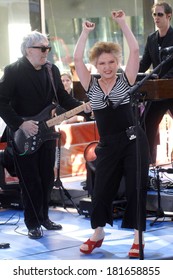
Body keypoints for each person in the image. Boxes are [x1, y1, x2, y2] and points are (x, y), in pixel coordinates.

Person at [0, 30, 91, 239]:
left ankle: (43, 217)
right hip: (23, 135)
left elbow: (63, 98)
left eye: (47, 48)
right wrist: (21, 124)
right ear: (27, 50)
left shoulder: (52, 70)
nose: (46, 52)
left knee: (47, 178)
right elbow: (1, 101)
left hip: (47, 132)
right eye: (42, 48)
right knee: (30, 181)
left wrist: (81, 107)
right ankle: (32, 223)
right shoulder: (13, 71)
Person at [74, 10, 149, 258]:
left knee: (136, 189)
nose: (107, 67)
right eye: (102, 63)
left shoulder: (125, 80)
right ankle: (98, 232)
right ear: (96, 65)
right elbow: (76, 58)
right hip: (108, 144)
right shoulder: (91, 84)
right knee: (101, 189)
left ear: (117, 63)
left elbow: (136, 52)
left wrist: (122, 24)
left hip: (133, 141)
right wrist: (85, 32)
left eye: (111, 62)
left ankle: (138, 238)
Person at [139, 1, 173, 164]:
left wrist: (164, 79)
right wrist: (130, 74)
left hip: (170, 88)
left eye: (160, 14)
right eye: (154, 14)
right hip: (157, 91)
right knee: (146, 125)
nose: (156, 18)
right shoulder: (151, 39)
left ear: (168, 16)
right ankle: (148, 164)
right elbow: (144, 63)